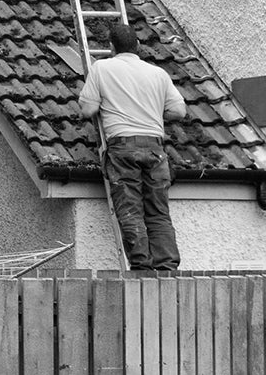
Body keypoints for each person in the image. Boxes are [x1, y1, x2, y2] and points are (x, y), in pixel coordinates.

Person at [77, 20, 185, 273]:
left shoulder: (102, 68)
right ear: (137, 45)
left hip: (123, 146)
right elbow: (179, 111)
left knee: (130, 209)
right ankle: (168, 266)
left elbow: (88, 109)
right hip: (155, 149)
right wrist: (153, 112)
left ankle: (142, 267)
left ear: (112, 47)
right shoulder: (158, 73)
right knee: (158, 211)